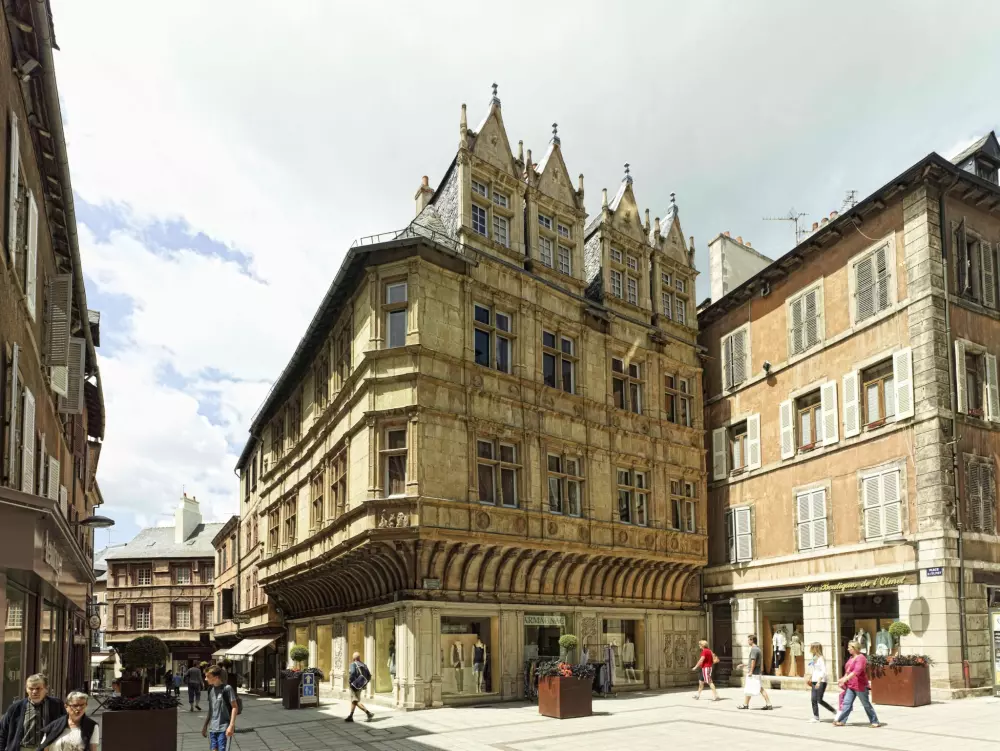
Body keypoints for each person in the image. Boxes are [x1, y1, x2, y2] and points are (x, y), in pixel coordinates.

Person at [0, 674, 67, 751]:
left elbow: (64, 727)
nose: (34, 692)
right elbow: (2, 732)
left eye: (38, 688)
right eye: (31, 688)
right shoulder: (15, 708)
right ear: (26, 689)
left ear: (46, 689)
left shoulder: (56, 705)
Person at [834, 640, 881, 727]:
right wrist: (843, 679)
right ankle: (841, 721)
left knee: (866, 704)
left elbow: (857, 671)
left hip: (860, 686)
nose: (848, 649)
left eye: (849, 648)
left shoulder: (861, 658)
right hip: (851, 685)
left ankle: (875, 721)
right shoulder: (851, 658)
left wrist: (846, 679)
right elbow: (848, 671)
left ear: (854, 648)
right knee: (846, 703)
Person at [201, 666, 238, 751]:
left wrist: (231, 726)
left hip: (224, 728)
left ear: (216, 677)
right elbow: (211, 709)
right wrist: (205, 725)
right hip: (212, 728)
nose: (206, 679)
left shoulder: (227, 689)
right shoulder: (210, 690)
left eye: (208, 676)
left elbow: (235, 707)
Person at [736, 634, 772, 710]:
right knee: (750, 688)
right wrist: (744, 665)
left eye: (749, 640)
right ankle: (746, 704)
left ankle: (768, 704)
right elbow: (753, 662)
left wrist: (751, 671)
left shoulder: (754, 649)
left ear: (752, 640)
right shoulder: (757, 649)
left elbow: (753, 661)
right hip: (755, 672)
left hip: (754, 673)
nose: (748, 641)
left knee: (759, 688)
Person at [807, 642, 836, 722]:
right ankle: (816, 717)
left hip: (821, 681)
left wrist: (819, 681)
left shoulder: (821, 658)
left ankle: (834, 711)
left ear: (816, 648)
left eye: (812, 647)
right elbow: (813, 668)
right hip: (814, 680)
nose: (810, 649)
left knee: (819, 700)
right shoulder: (814, 657)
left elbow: (823, 671)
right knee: (813, 699)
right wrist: (810, 677)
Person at [345, 652, 374, 723]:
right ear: (359, 658)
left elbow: (353, 673)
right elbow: (369, 676)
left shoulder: (353, 664)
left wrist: (350, 681)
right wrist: (364, 683)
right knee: (354, 700)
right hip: (360, 686)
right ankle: (350, 716)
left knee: (355, 701)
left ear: (354, 658)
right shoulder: (364, 665)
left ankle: (368, 713)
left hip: (354, 685)